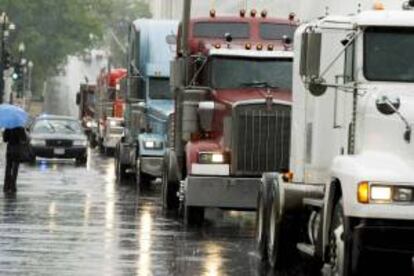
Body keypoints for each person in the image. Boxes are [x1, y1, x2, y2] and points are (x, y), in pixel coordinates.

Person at [3, 127, 27, 193]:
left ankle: (6, 186)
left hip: (9, 149)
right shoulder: (20, 128)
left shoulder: (7, 128)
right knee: (15, 168)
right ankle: (13, 186)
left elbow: (5, 140)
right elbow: (24, 139)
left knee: (8, 167)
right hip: (17, 149)